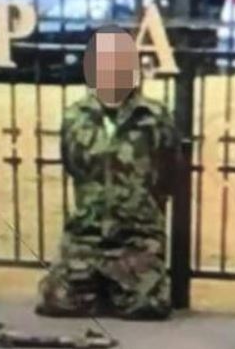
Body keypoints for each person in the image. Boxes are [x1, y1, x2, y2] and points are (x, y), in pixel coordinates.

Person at [36, 25, 181, 320]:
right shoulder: (75, 118)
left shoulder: (154, 118)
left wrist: (140, 206)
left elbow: (168, 171)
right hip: (87, 235)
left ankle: (116, 288)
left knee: (147, 307)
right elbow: (73, 165)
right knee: (55, 302)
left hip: (136, 236)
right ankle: (101, 287)